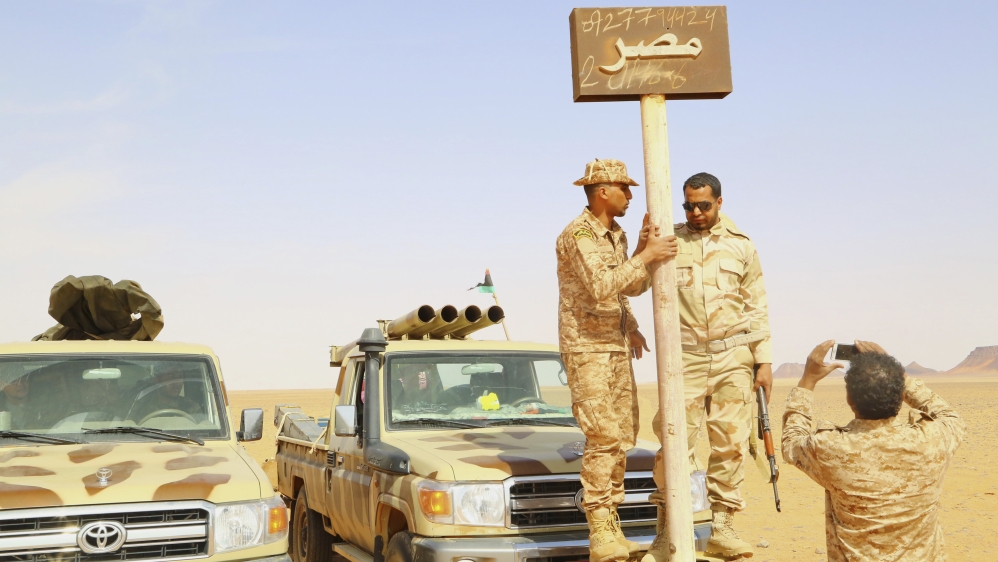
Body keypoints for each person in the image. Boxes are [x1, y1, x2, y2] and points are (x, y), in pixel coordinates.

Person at [556, 158, 677, 562]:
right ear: (603, 191)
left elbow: (631, 287)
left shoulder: (616, 235)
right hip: (587, 347)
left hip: (615, 345)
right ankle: (600, 525)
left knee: (623, 436)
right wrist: (645, 256)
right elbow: (599, 287)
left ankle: (613, 521)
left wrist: (641, 252)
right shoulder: (579, 234)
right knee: (603, 436)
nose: (630, 195)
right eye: (625, 189)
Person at [645, 172, 771, 560]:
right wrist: (644, 245)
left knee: (730, 442)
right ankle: (668, 531)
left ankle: (723, 526)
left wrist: (763, 360)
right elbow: (639, 282)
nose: (695, 212)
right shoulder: (669, 241)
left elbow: (757, 305)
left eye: (703, 205)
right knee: (674, 443)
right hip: (683, 358)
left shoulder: (742, 247)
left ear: (719, 202)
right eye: (688, 205)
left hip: (733, 355)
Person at [782, 340, 965, 561]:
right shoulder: (934, 439)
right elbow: (950, 416)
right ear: (900, 396)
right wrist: (901, 378)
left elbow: (791, 442)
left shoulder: (832, 448)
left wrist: (807, 381)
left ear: (849, 399)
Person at [130, 366, 203, 423]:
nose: (177, 383)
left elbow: (203, 433)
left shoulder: (191, 407)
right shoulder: (141, 406)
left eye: (180, 377)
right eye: (171, 377)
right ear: (157, 379)